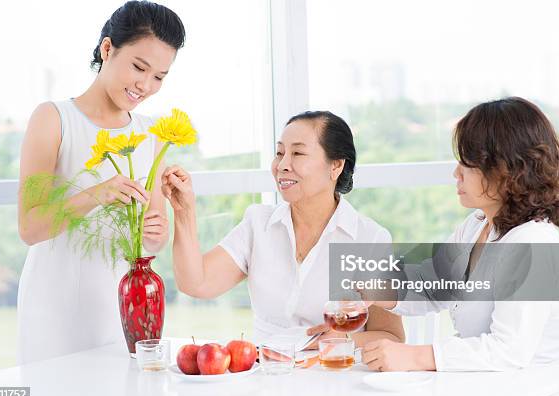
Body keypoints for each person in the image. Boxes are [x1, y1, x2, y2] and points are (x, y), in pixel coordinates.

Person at [17, 1, 185, 364]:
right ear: (107, 49)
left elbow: (154, 238)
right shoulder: (53, 119)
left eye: (159, 76)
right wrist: (98, 193)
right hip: (53, 312)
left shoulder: (150, 135)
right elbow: (30, 227)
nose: (146, 85)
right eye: (139, 67)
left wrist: (158, 229)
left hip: (124, 314)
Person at [362, 97, 559, 371]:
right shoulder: (477, 225)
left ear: (505, 169)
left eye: (467, 164)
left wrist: (414, 356)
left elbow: (508, 351)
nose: (456, 174)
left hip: (529, 392)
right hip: (482, 385)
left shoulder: (533, 242)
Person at [161, 111, 404, 347]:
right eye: (279, 153)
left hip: (334, 375)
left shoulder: (368, 238)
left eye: (298, 153)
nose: (282, 165)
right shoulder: (258, 224)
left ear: (336, 165)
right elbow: (196, 282)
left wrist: (341, 340)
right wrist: (184, 212)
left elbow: (391, 336)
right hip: (268, 373)